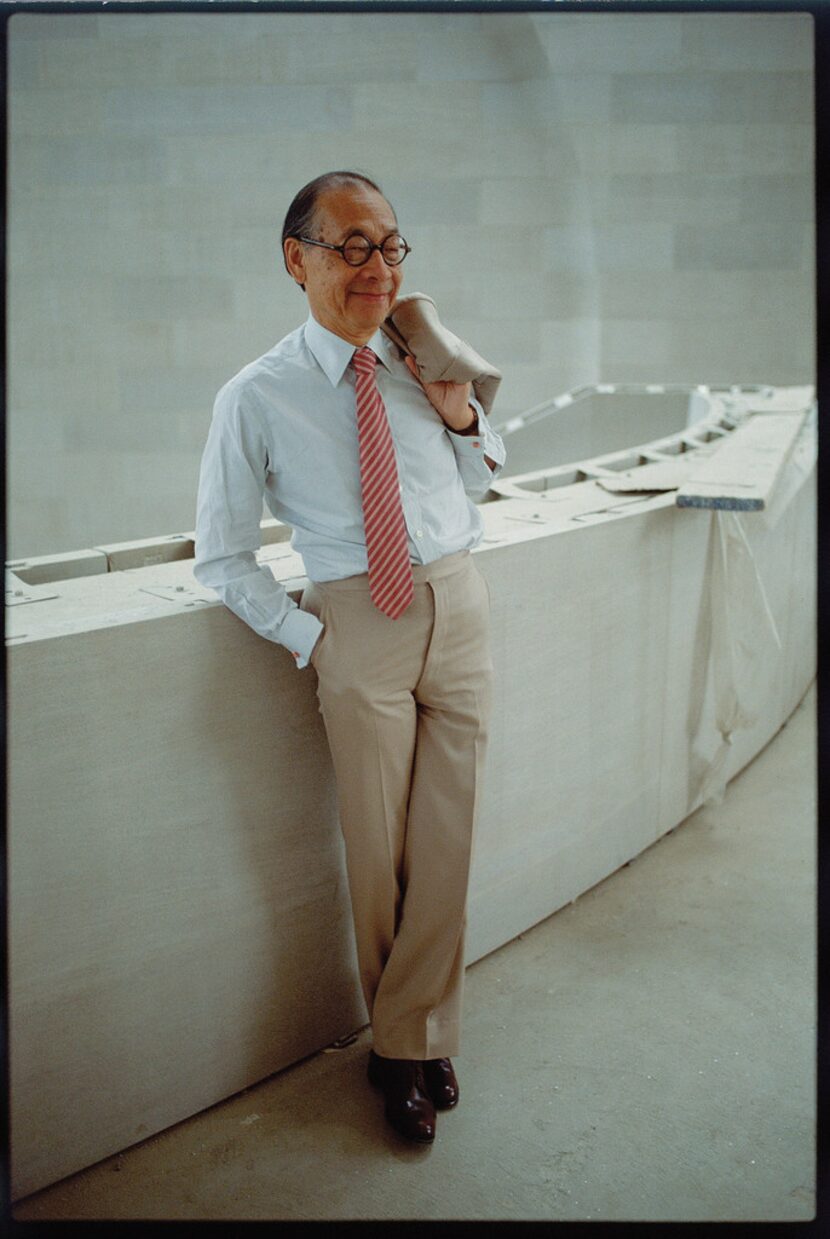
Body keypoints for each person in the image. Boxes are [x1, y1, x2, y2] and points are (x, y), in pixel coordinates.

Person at [194, 170, 506, 1144]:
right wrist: (313, 639)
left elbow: (481, 478)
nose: (377, 267)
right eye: (352, 246)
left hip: (458, 603)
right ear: (297, 260)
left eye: (391, 245)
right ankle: (402, 1046)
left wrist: (459, 416)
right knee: (378, 854)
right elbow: (223, 556)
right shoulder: (255, 396)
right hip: (354, 622)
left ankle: (412, 1036)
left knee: (446, 842)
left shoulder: (419, 357)